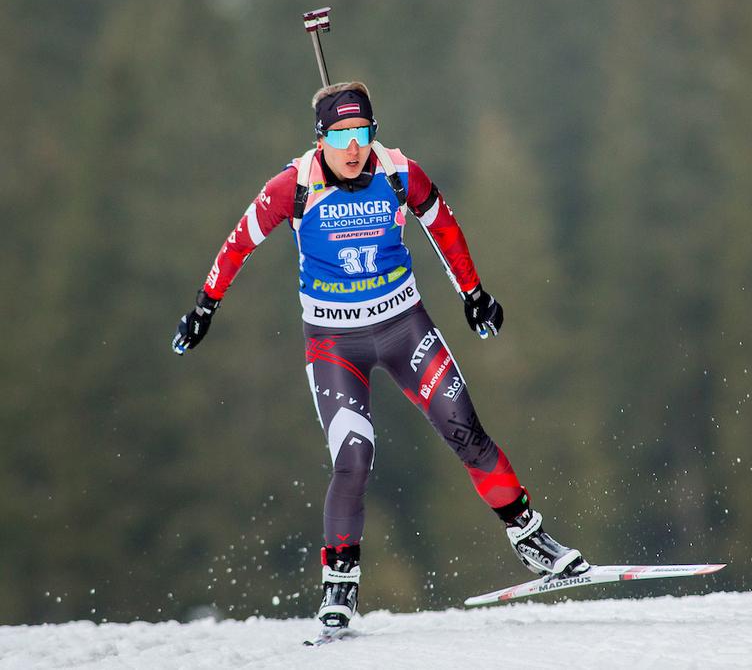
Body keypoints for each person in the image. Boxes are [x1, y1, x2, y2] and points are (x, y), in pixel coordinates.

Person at [171, 81, 588, 630]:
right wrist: (205, 307)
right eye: (340, 136)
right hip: (333, 342)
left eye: (362, 133)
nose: (353, 148)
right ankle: (340, 585)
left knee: (466, 431)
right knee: (353, 459)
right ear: (320, 139)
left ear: (375, 132)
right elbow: (238, 243)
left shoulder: (397, 173)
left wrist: (474, 294)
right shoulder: (292, 187)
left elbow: (443, 226)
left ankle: (532, 539)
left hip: (403, 325)